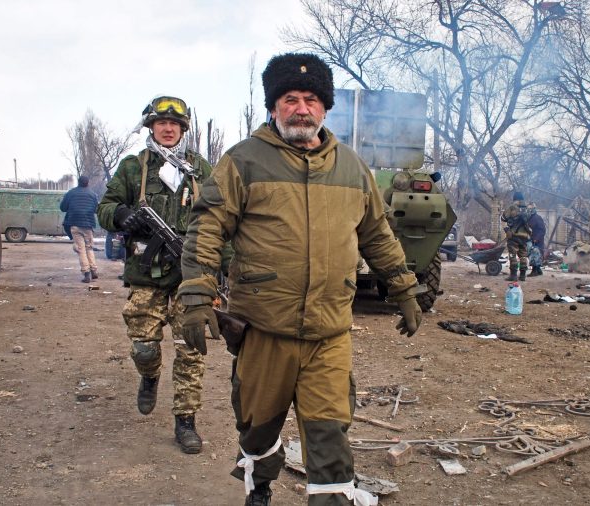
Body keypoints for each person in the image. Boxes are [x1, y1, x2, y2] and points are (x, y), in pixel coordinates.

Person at [178, 53, 422, 506]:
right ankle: (260, 487)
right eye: (290, 99)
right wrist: (196, 293)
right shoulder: (242, 161)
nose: (301, 108)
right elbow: (207, 226)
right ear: (274, 107)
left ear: (326, 108)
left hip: (329, 332)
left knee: (330, 433)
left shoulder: (351, 167)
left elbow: (377, 233)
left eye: (311, 99)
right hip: (264, 329)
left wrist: (404, 287)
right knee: (257, 424)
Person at [96, 95, 213, 454]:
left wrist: (220, 267)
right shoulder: (134, 167)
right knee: (144, 348)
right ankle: (149, 376)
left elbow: (217, 218)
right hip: (146, 275)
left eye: (174, 125)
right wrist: (121, 216)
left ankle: (185, 422)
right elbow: (105, 207)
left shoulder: (200, 170)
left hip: (189, 277)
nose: (167, 129)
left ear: (183, 129)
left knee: (190, 351)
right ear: (151, 127)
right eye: (161, 123)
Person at [60, 175, 99, 283]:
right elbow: (96, 209)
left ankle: (86, 273)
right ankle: (94, 271)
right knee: (89, 248)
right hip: (88, 225)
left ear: (78, 182)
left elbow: (62, 208)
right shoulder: (92, 194)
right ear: (88, 183)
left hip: (75, 224)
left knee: (81, 249)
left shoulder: (71, 193)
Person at [501, 191, 531, 281]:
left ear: (514, 199)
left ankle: (513, 275)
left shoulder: (512, 208)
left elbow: (503, 218)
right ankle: (522, 275)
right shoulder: (527, 209)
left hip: (513, 236)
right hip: (524, 236)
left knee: (512, 255)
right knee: (523, 256)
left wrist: (507, 228)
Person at [526, 203, 546, 277]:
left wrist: (536, 239)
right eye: (528, 209)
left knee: (534, 255)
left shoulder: (537, 218)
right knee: (532, 254)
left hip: (537, 241)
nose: (529, 210)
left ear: (534, 209)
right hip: (532, 240)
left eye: (530, 209)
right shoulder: (529, 218)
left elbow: (542, 230)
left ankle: (534, 271)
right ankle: (538, 270)